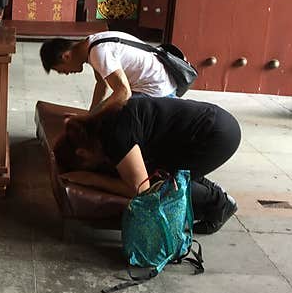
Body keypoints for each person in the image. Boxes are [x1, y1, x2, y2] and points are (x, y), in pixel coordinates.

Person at [56, 96, 240, 234]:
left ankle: (220, 204)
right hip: (213, 121)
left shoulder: (116, 138)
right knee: (160, 171)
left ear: (82, 152)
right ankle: (211, 192)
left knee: (162, 185)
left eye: (88, 165)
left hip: (215, 137)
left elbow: (141, 189)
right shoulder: (100, 124)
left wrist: (91, 178)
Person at [40, 32, 177, 115]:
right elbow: (101, 84)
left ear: (66, 57)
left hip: (158, 92)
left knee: (113, 120)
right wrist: (90, 116)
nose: (66, 74)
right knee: (105, 115)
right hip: (159, 83)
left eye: (61, 70)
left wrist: (93, 117)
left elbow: (123, 92)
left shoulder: (98, 53)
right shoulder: (91, 44)